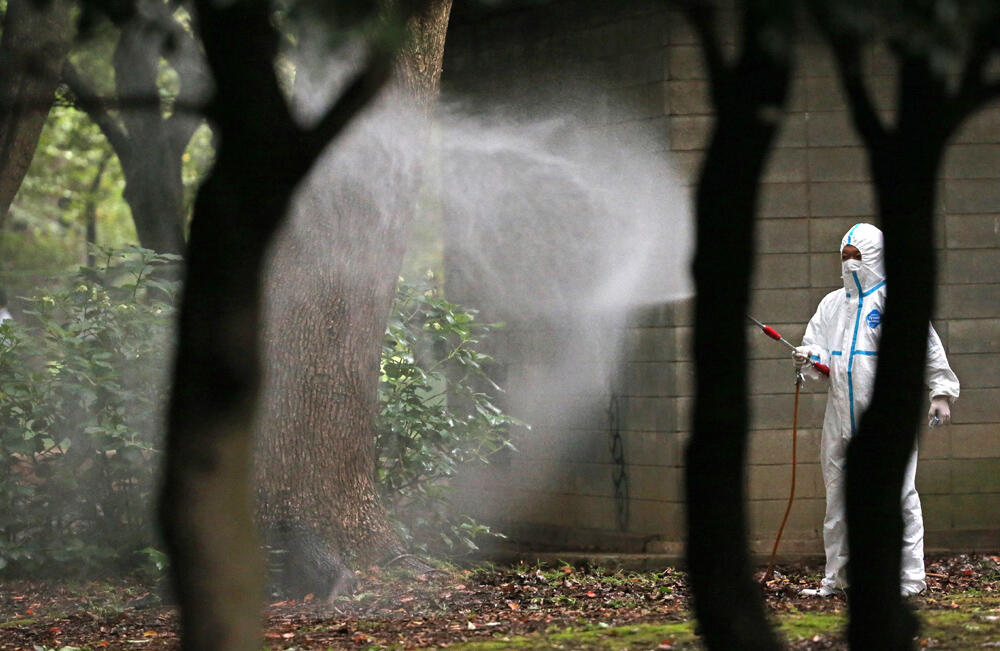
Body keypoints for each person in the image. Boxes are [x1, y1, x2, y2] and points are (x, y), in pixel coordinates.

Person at [792, 223, 959, 598]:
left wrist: (941, 393)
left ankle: (909, 579)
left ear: (877, 258)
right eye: (845, 257)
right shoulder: (832, 305)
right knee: (837, 500)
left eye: (859, 257)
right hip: (839, 420)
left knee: (898, 497)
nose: (851, 264)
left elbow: (927, 350)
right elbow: (818, 352)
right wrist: (809, 358)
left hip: (885, 420)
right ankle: (838, 578)